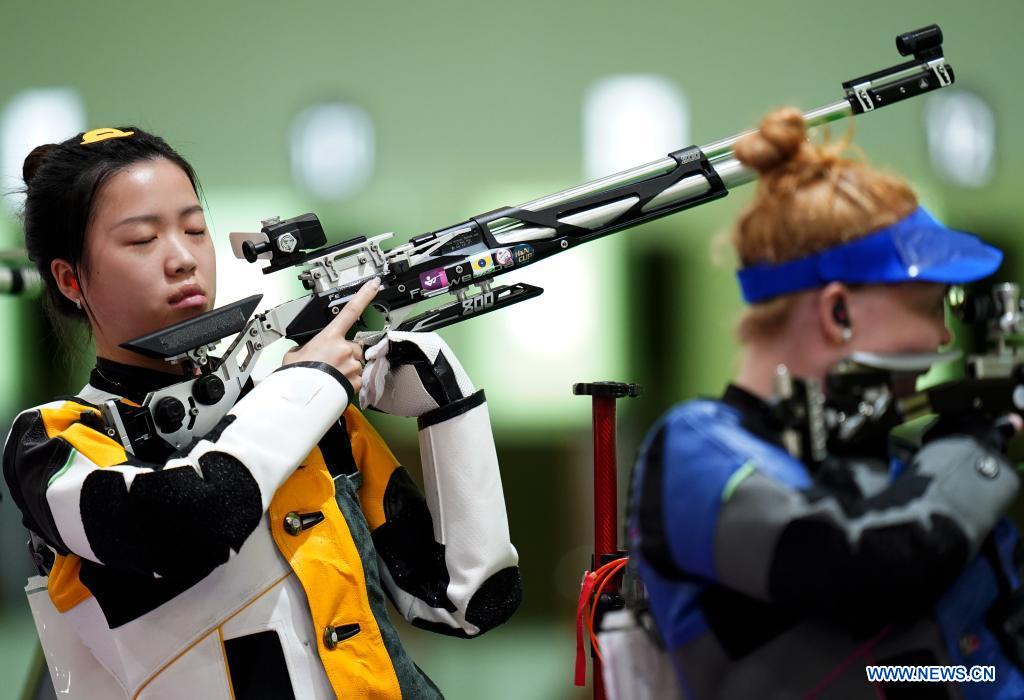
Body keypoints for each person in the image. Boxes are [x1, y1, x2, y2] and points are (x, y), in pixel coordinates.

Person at [3, 126, 521, 699]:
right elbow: (185, 523)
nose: (183, 259)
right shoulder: (52, 441)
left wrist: (446, 402)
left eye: (195, 230)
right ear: (70, 278)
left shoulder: (294, 405)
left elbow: (468, 603)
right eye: (142, 240)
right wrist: (305, 387)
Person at [627, 107, 1024, 698]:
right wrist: (977, 447)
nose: (943, 339)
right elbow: (867, 568)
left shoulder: (896, 464)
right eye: (929, 306)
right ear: (838, 311)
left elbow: (942, 665)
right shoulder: (695, 447)